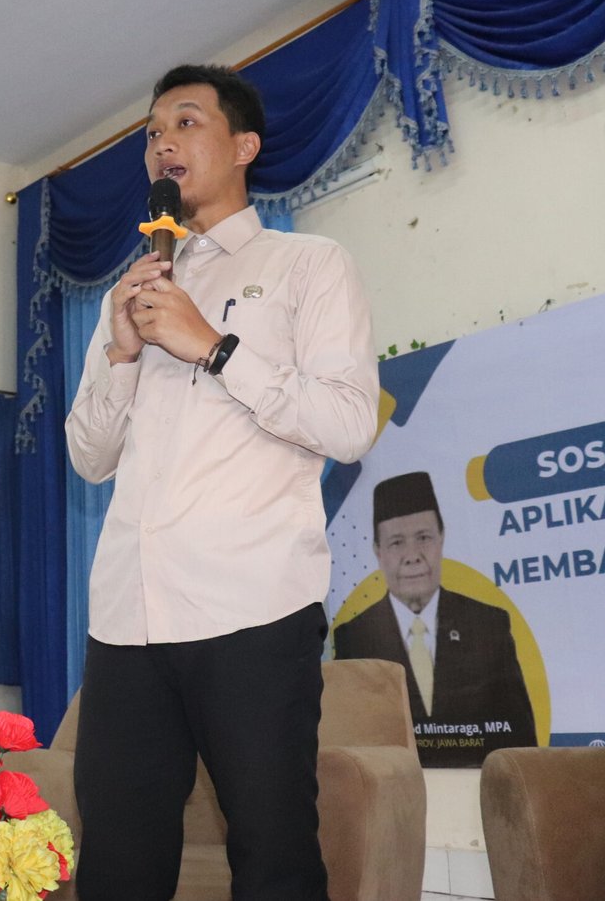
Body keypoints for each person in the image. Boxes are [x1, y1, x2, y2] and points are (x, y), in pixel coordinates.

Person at [65, 64, 379, 901]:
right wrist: (123, 352)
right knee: (116, 866)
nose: (162, 142)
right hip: (127, 617)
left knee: (274, 860)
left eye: (186, 122)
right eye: (152, 132)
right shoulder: (132, 291)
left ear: (244, 146)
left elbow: (350, 422)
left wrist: (212, 345)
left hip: (252, 609)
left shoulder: (309, 264)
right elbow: (89, 457)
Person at [333, 471, 536, 767]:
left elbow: (522, 747)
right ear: (378, 552)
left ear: (441, 538)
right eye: (396, 543)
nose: (412, 556)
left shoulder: (488, 625)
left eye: (423, 538)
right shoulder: (354, 637)